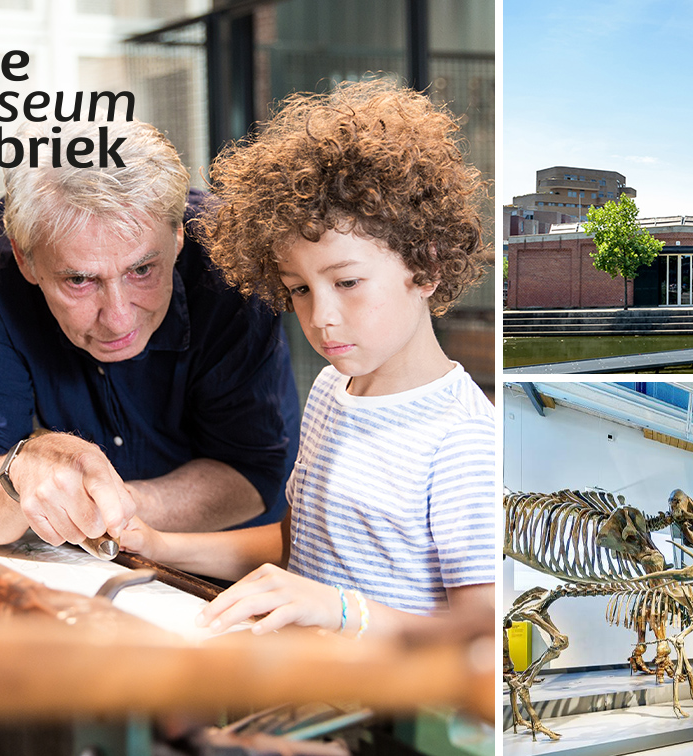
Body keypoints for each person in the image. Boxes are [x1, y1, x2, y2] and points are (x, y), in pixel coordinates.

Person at [120, 79, 494, 637]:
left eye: (346, 282)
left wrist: (342, 611)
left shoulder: (463, 439)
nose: (321, 317)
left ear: (427, 267)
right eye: (299, 289)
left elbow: (479, 630)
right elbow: (298, 547)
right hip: (306, 684)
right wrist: (158, 545)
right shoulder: (328, 391)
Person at [0, 118, 298, 551]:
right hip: (80, 569)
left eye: (142, 270)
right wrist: (23, 469)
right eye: (80, 281)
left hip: (234, 559)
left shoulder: (230, 258)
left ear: (179, 234)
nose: (120, 320)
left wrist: (103, 504)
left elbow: (251, 475)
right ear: (25, 257)